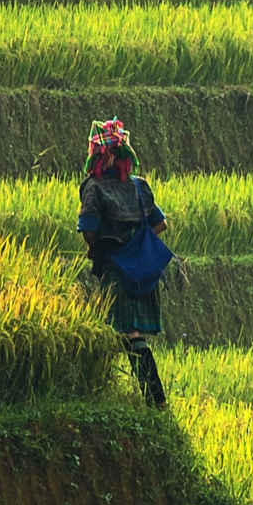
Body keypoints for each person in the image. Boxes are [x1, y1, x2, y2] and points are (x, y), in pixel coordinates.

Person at [77, 116, 169, 408]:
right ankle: (144, 400)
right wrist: (136, 244)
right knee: (129, 333)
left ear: (97, 157)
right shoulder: (139, 186)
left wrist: (101, 248)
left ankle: (153, 399)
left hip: (117, 270)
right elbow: (160, 224)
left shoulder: (94, 187)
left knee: (124, 333)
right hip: (142, 270)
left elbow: (89, 229)